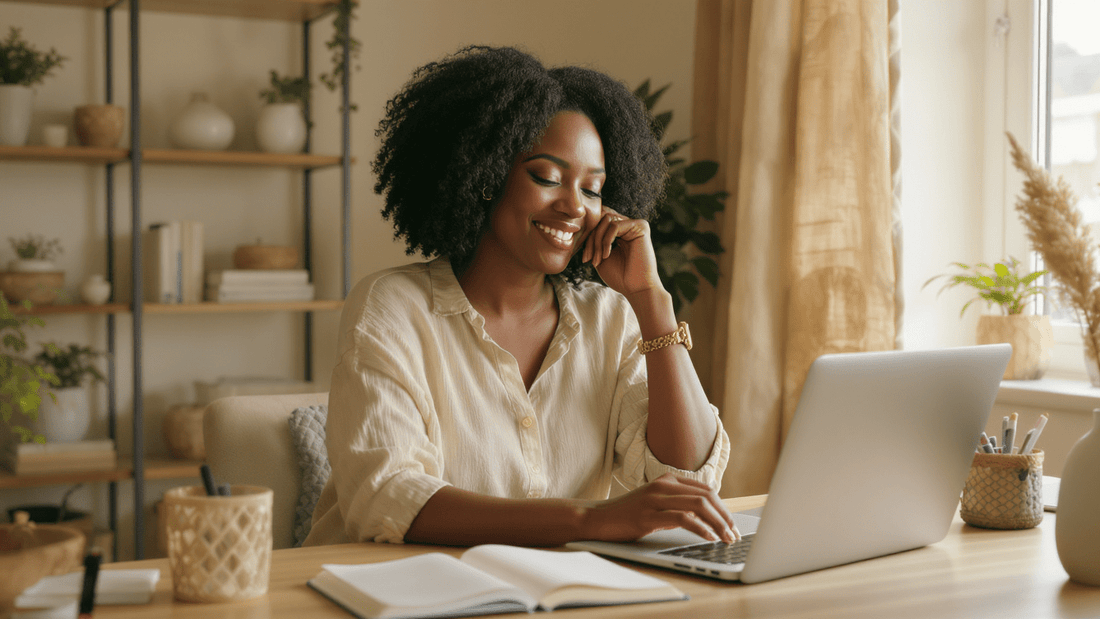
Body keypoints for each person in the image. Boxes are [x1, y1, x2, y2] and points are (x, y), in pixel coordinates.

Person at [304, 45, 735, 548]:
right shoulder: (393, 306)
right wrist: (588, 521)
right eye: (547, 177)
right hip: (388, 591)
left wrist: (652, 301)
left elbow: (690, 485)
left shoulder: (611, 319)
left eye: (593, 189)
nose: (574, 205)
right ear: (485, 176)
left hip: (552, 593)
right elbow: (391, 498)